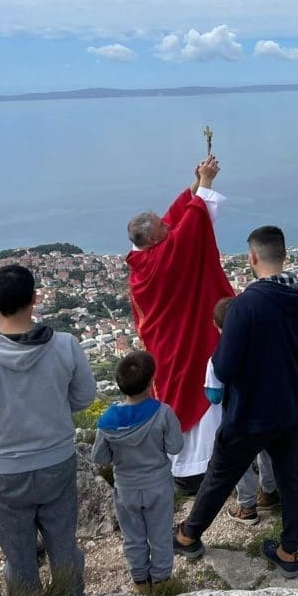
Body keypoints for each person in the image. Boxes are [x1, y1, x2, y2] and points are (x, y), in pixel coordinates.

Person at [174, 225, 298, 578]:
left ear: (252, 258)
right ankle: (288, 551)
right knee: (291, 477)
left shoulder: (244, 306)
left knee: (220, 474)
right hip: (294, 404)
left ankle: (188, 535)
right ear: (284, 256)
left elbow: (224, 368)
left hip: (252, 413)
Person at [0, 265, 96, 596]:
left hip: (3, 469)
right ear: (35, 298)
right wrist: (53, 408)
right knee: (63, 546)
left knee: (18, 554)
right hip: (56, 461)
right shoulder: (66, 346)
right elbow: (84, 397)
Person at [126, 155, 234, 491]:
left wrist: (196, 182)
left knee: (181, 396)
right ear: (155, 240)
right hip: (189, 339)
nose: (168, 225)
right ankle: (201, 469)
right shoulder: (168, 256)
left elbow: (178, 215)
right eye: (162, 228)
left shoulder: (141, 259)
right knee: (201, 396)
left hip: (166, 344)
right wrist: (207, 182)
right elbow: (191, 223)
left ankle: (184, 468)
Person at [92, 352, 183, 595]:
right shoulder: (163, 412)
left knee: (133, 536)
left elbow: (99, 458)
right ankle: (162, 581)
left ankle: (140, 581)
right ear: (152, 381)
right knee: (161, 534)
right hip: (158, 484)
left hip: (126, 488)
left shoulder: (107, 421)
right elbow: (175, 447)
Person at [206, 296, 278, 526]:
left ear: (216, 326)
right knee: (266, 453)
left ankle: (247, 507)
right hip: (266, 413)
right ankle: (268, 492)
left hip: (237, 418)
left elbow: (214, 396)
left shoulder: (216, 359)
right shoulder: (263, 348)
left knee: (240, 462)